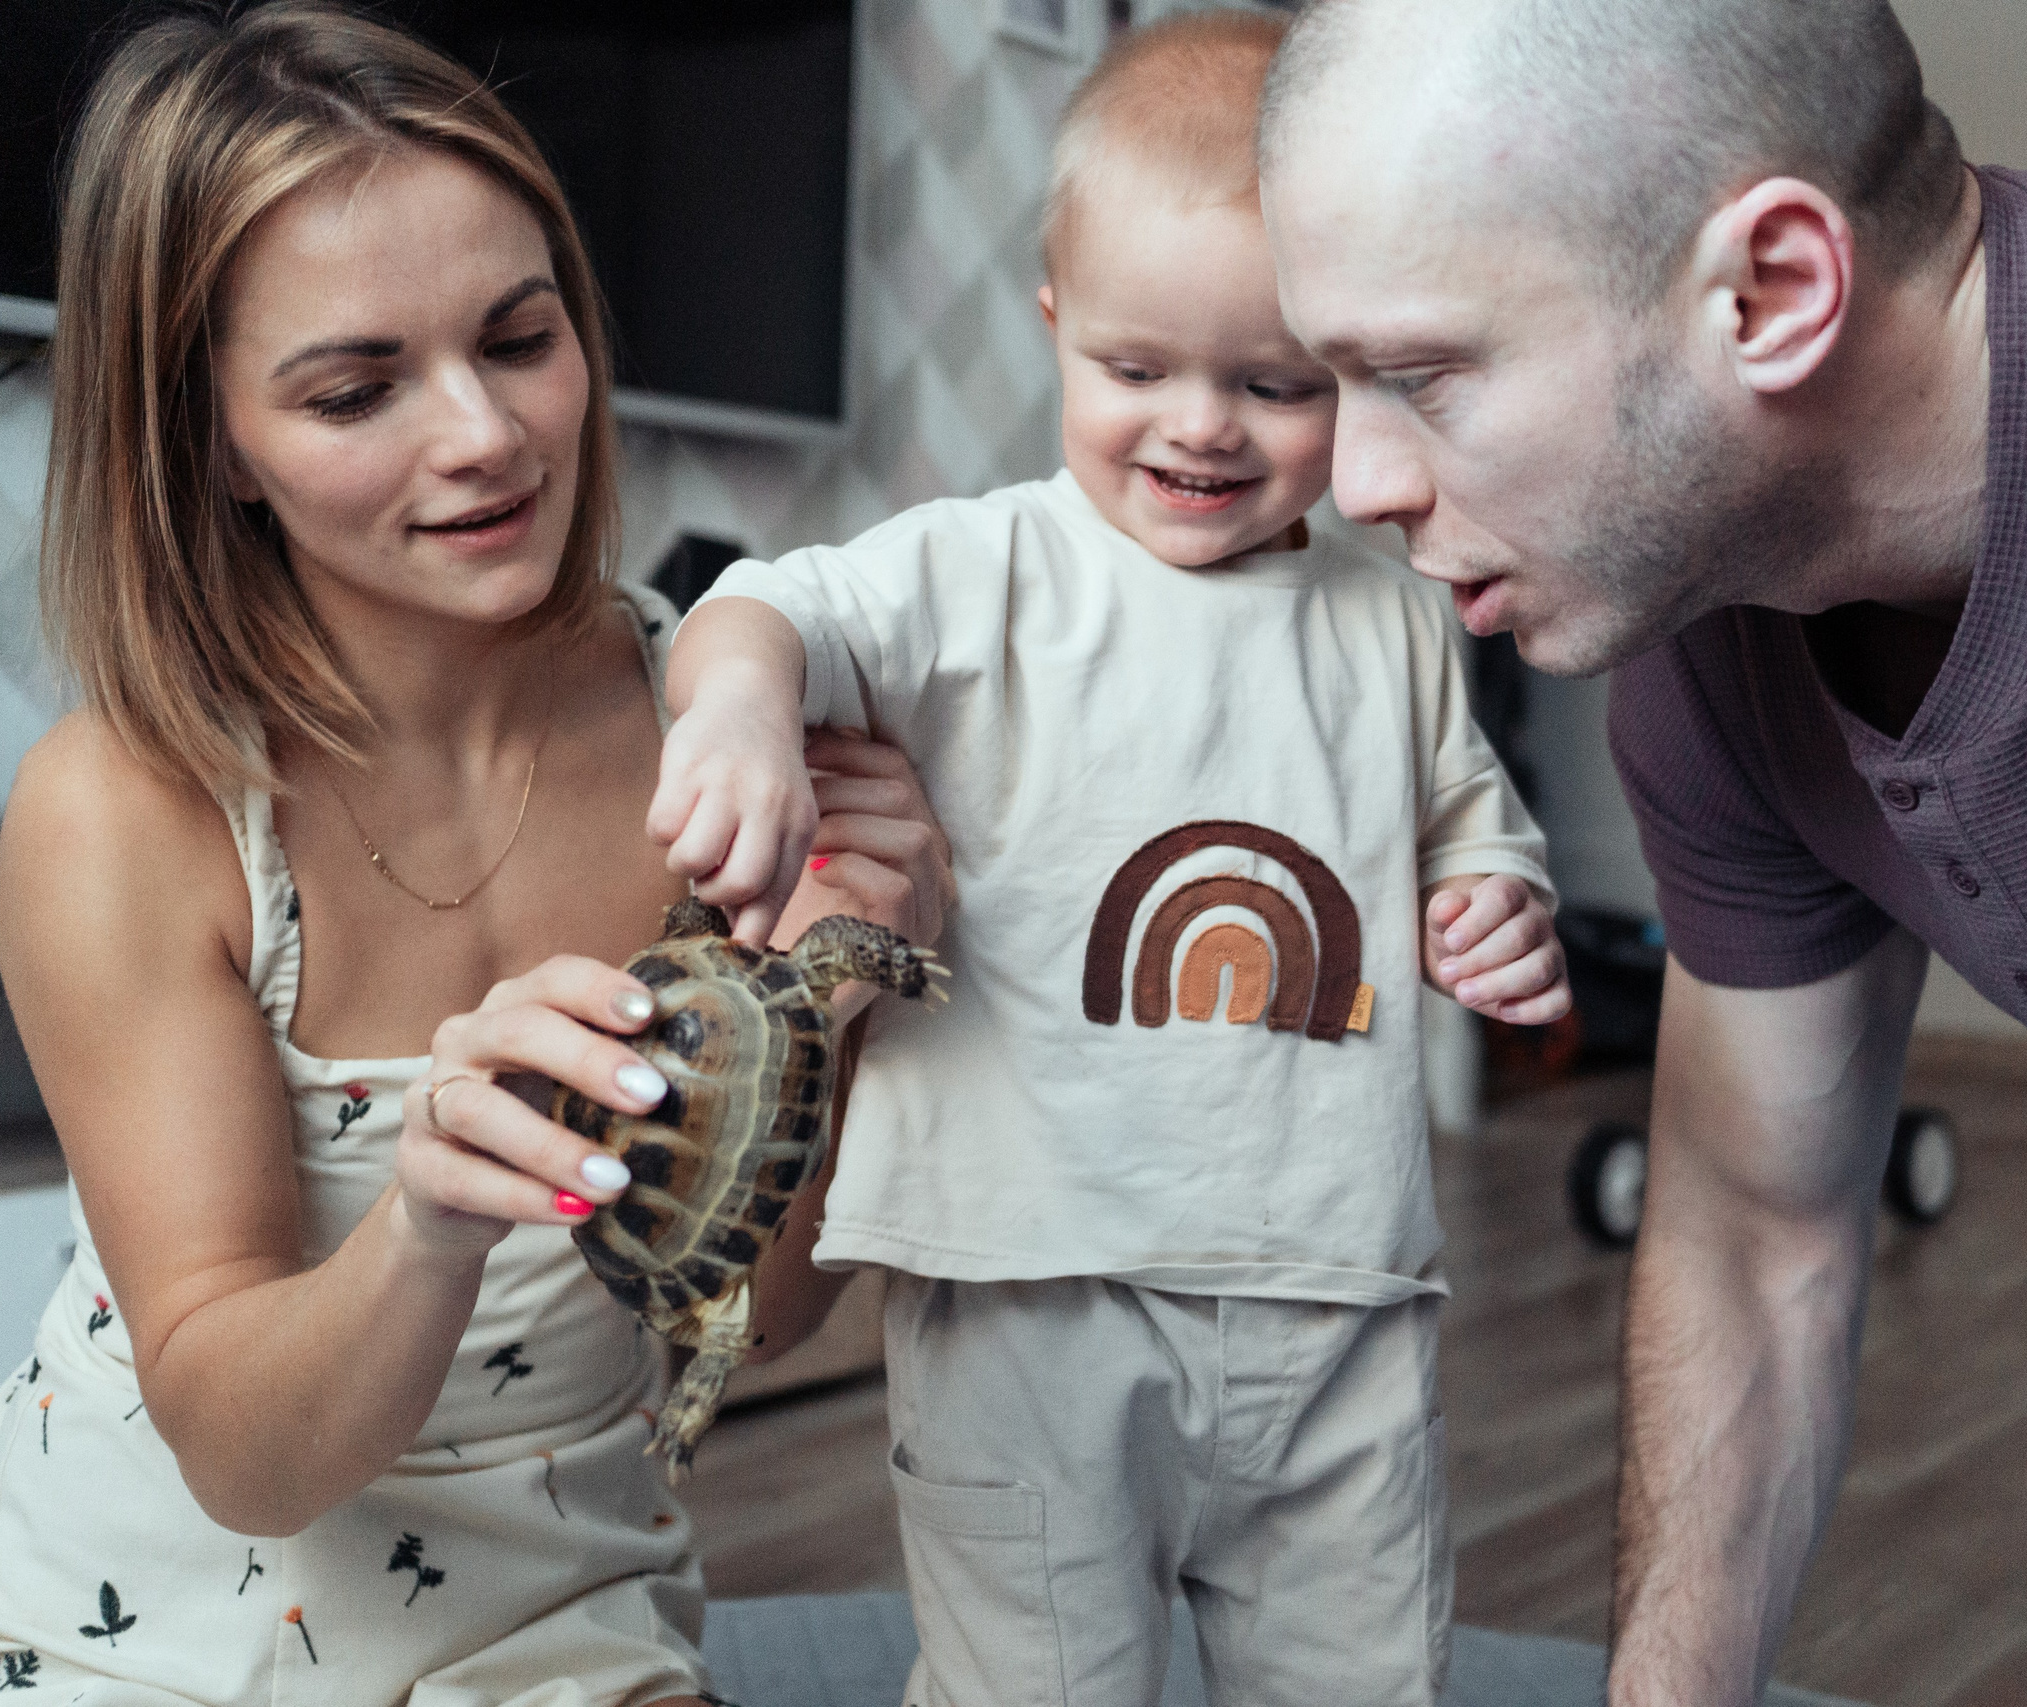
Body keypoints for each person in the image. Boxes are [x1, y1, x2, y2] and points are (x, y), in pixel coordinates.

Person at [1257, 1, 2027, 1704]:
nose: (1356, 479)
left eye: (1423, 375)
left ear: (1771, 291)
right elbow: (1758, 1234)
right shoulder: (1712, 631)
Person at [0, 7, 952, 1700]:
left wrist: (823, 1022)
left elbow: (756, 1318)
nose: (484, 435)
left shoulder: (720, 735)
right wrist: (426, 1224)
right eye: (356, 388)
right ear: (213, 445)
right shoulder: (130, 807)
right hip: (131, 1633)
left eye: (520, 337)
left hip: (557, 1625)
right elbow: (247, 1462)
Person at [648, 14, 1568, 1705]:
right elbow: (768, 604)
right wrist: (735, 720)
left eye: (1276, 385)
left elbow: (1461, 816)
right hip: (1029, 1285)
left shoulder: (1393, 623)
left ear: (1355, 370)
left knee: (1367, 1671)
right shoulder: (980, 572)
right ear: (1057, 319)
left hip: (1333, 1290)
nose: (1201, 429)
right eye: (1138, 372)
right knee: (1039, 1679)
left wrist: (1487, 901)